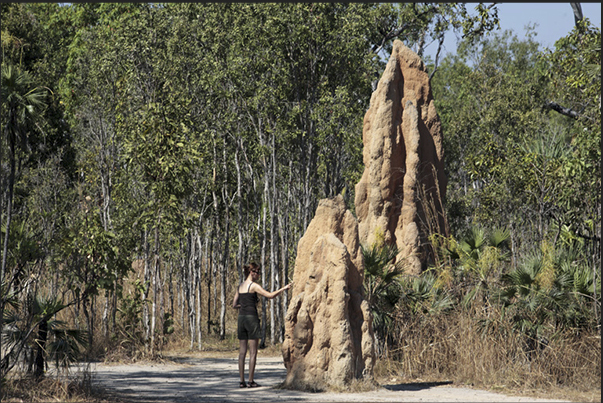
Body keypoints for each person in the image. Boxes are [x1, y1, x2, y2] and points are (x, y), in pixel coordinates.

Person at [232, 262, 292, 388]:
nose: (258, 274)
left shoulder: (240, 287)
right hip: (251, 318)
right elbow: (270, 295)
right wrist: (284, 288)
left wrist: (242, 306)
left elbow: (234, 305)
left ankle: (241, 381)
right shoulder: (253, 286)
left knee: (242, 352)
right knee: (253, 352)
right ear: (251, 272)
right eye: (257, 272)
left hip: (241, 319)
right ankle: (250, 381)